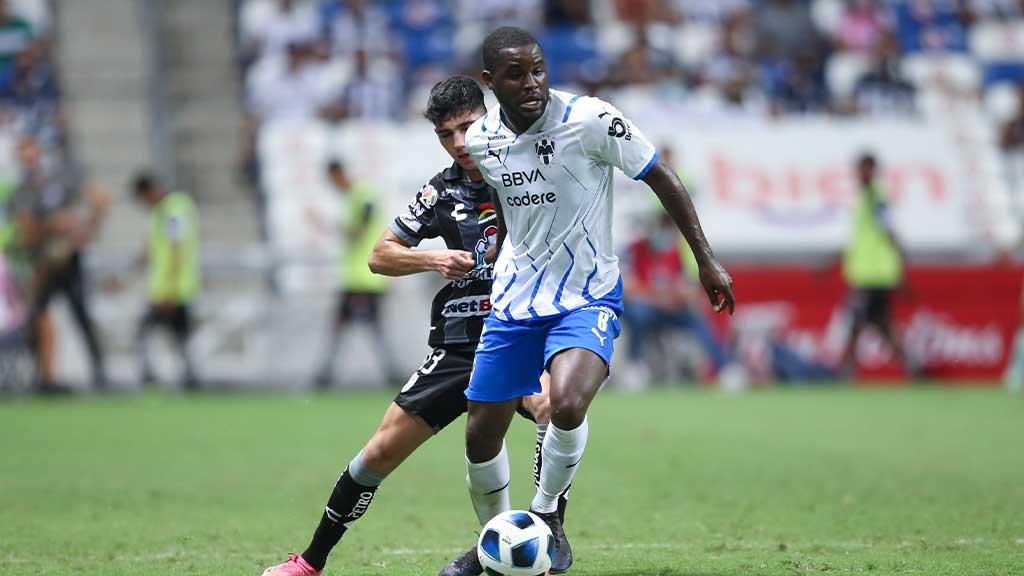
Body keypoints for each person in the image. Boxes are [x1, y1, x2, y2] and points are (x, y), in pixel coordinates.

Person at [440, 27, 734, 576]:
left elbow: (661, 176)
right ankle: (495, 542)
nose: (531, 83)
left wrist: (705, 259)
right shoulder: (481, 140)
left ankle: (548, 517)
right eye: (515, 74)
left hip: (588, 292)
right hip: (514, 299)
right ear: (490, 81)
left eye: (538, 69)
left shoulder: (591, 119)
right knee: (481, 434)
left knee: (569, 403)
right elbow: (507, 207)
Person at [260, 76, 564, 576]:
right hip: (458, 345)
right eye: (446, 135)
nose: (460, 143)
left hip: (514, 334)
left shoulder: (527, 172)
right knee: (377, 453)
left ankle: (544, 533)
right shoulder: (439, 192)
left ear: (488, 117)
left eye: (467, 127)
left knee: (551, 403)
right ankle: (310, 562)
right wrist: (433, 258)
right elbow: (380, 256)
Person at [15, 134, 109, 392]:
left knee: (81, 314)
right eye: (24, 153)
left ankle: (100, 373)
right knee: (38, 317)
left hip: (67, 259)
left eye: (31, 152)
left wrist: (84, 228)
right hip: (43, 264)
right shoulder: (23, 191)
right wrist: (52, 224)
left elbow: (94, 201)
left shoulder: (59, 182)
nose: (29, 158)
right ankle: (42, 375)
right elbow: (26, 231)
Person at [311, 160, 400, 388]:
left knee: (363, 328)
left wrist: (325, 224)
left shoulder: (364, 195)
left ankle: (327, 375)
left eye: (333, 180)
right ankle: (327, 374)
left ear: (338, 174)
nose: (334, 186)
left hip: (366, 279)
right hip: (357, 278)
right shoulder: (355, 197)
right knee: (355, 327)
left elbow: (358, 231)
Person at [621, 212, 734, 385]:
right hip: (646, 310)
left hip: (670, 310)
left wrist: (673, 296)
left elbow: (688, 290)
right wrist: (657, 296)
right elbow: (626, 288)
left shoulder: (675, 253)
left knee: (696, 316)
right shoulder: (635, 250)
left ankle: (725, 369)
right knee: (638, 312)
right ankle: (634, 367)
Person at [837, 153, 915, 377]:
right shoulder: (865, 197)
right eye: (860, 169)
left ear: (873, 170)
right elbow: (863, 239)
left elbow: (890, 231)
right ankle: (912, 368)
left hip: (873, 275)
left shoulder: (876, 198)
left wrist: (902, 270)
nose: (862, 174)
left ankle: (846, 372)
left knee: (855, 322)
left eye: (866, 169)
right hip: (868, 273)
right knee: (881, 324)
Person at [131, 172, 201, 390]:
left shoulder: (173, 210)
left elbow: (176, 249)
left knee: (147, 332)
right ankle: (189, 378)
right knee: (178, 335)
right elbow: (158, 245)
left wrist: (170, 289)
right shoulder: (165, 211)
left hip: (173, 288)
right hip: (169, 286)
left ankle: (156, 375)